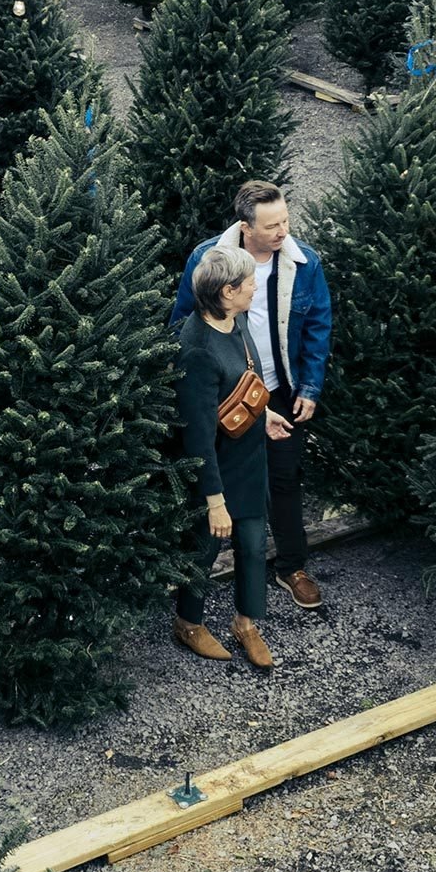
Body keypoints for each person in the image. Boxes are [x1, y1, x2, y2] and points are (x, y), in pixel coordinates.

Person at [172, 181, 332, 611]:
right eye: (273, 225)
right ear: (246, 227)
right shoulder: (209, 260)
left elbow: (318, 325)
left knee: (283, 477)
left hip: (275, 390)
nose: (284, 231)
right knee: (220, 477)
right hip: (224, 389)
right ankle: (195, 594)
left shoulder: (304, 263)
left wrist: (310, 387)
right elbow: (182, 321)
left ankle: (291, 567)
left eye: (285, 220)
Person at [174, 246, 294, 668]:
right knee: (204, 549)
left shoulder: (235, 321)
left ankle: (246, 623)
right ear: (227, 291)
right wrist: (214, 502)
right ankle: (188, 622)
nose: (254, 289)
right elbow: (198, 436)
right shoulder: (196, 350)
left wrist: (266, 415)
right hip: (217, 473)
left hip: (249, 461)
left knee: (253, 544)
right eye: (248, 285)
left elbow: (243, 386)